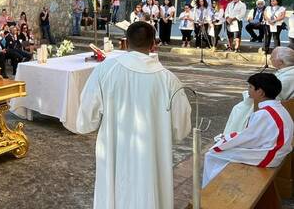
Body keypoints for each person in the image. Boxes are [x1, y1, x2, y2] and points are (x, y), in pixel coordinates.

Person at [77, 21, 191, 209]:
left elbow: (87, 118)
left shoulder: (105, 70)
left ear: (126, 43)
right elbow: (181, 127)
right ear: (154, 44)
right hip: (152, 156)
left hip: (115, 151)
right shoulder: (169, 80)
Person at [203, 73, 293, 187]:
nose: (248, 90)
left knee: (213, 154)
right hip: (277, 150)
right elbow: (253, 136)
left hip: (270, 155)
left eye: (250, 87)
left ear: (260, 92)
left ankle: (212, 190)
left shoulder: (263, 113)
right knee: (226, 148)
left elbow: (248, 138)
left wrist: (224, 141)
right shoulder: (277, 107)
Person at [223, 47, 294, 135]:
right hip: (273, 103)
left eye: (272, 57)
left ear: (280, 62)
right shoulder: (288, 72)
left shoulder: (288, 77)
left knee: (239, 109)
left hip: (271, 105)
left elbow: (271, 94)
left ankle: (232, 136)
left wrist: (249, 94)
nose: (270, 59)